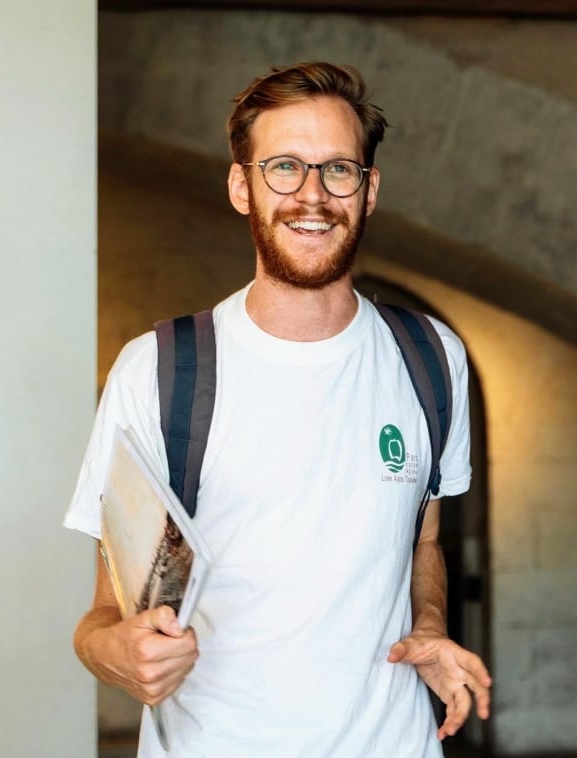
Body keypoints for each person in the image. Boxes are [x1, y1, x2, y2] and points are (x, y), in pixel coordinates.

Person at [65, 61, 491, 757]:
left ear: (370, 189)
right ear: (242, 186)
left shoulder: (431, 358)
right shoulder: (161, 370)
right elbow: (103, 614)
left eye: (338, 170)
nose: (313, 195)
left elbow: (421, 539)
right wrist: (115, 653)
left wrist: (432, 626)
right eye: (284, 167)